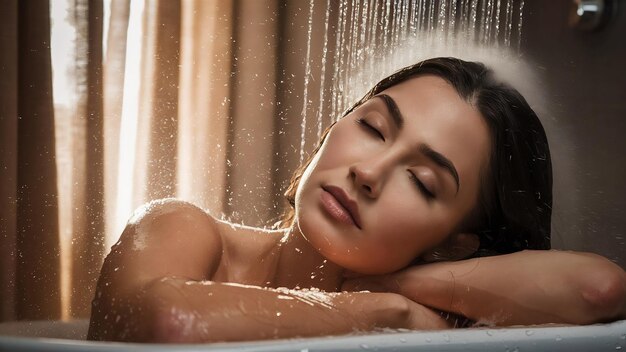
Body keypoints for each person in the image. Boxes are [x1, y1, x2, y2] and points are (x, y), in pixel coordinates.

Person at [87, 57, 626, 343]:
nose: (369, 172)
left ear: (452, 246)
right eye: (372, 128)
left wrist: (399, 285)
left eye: (421, 181)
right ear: (331, 129)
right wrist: (383, 309)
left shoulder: (438, 313)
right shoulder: (186, 229)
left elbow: (599, 288)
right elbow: (163, 322)